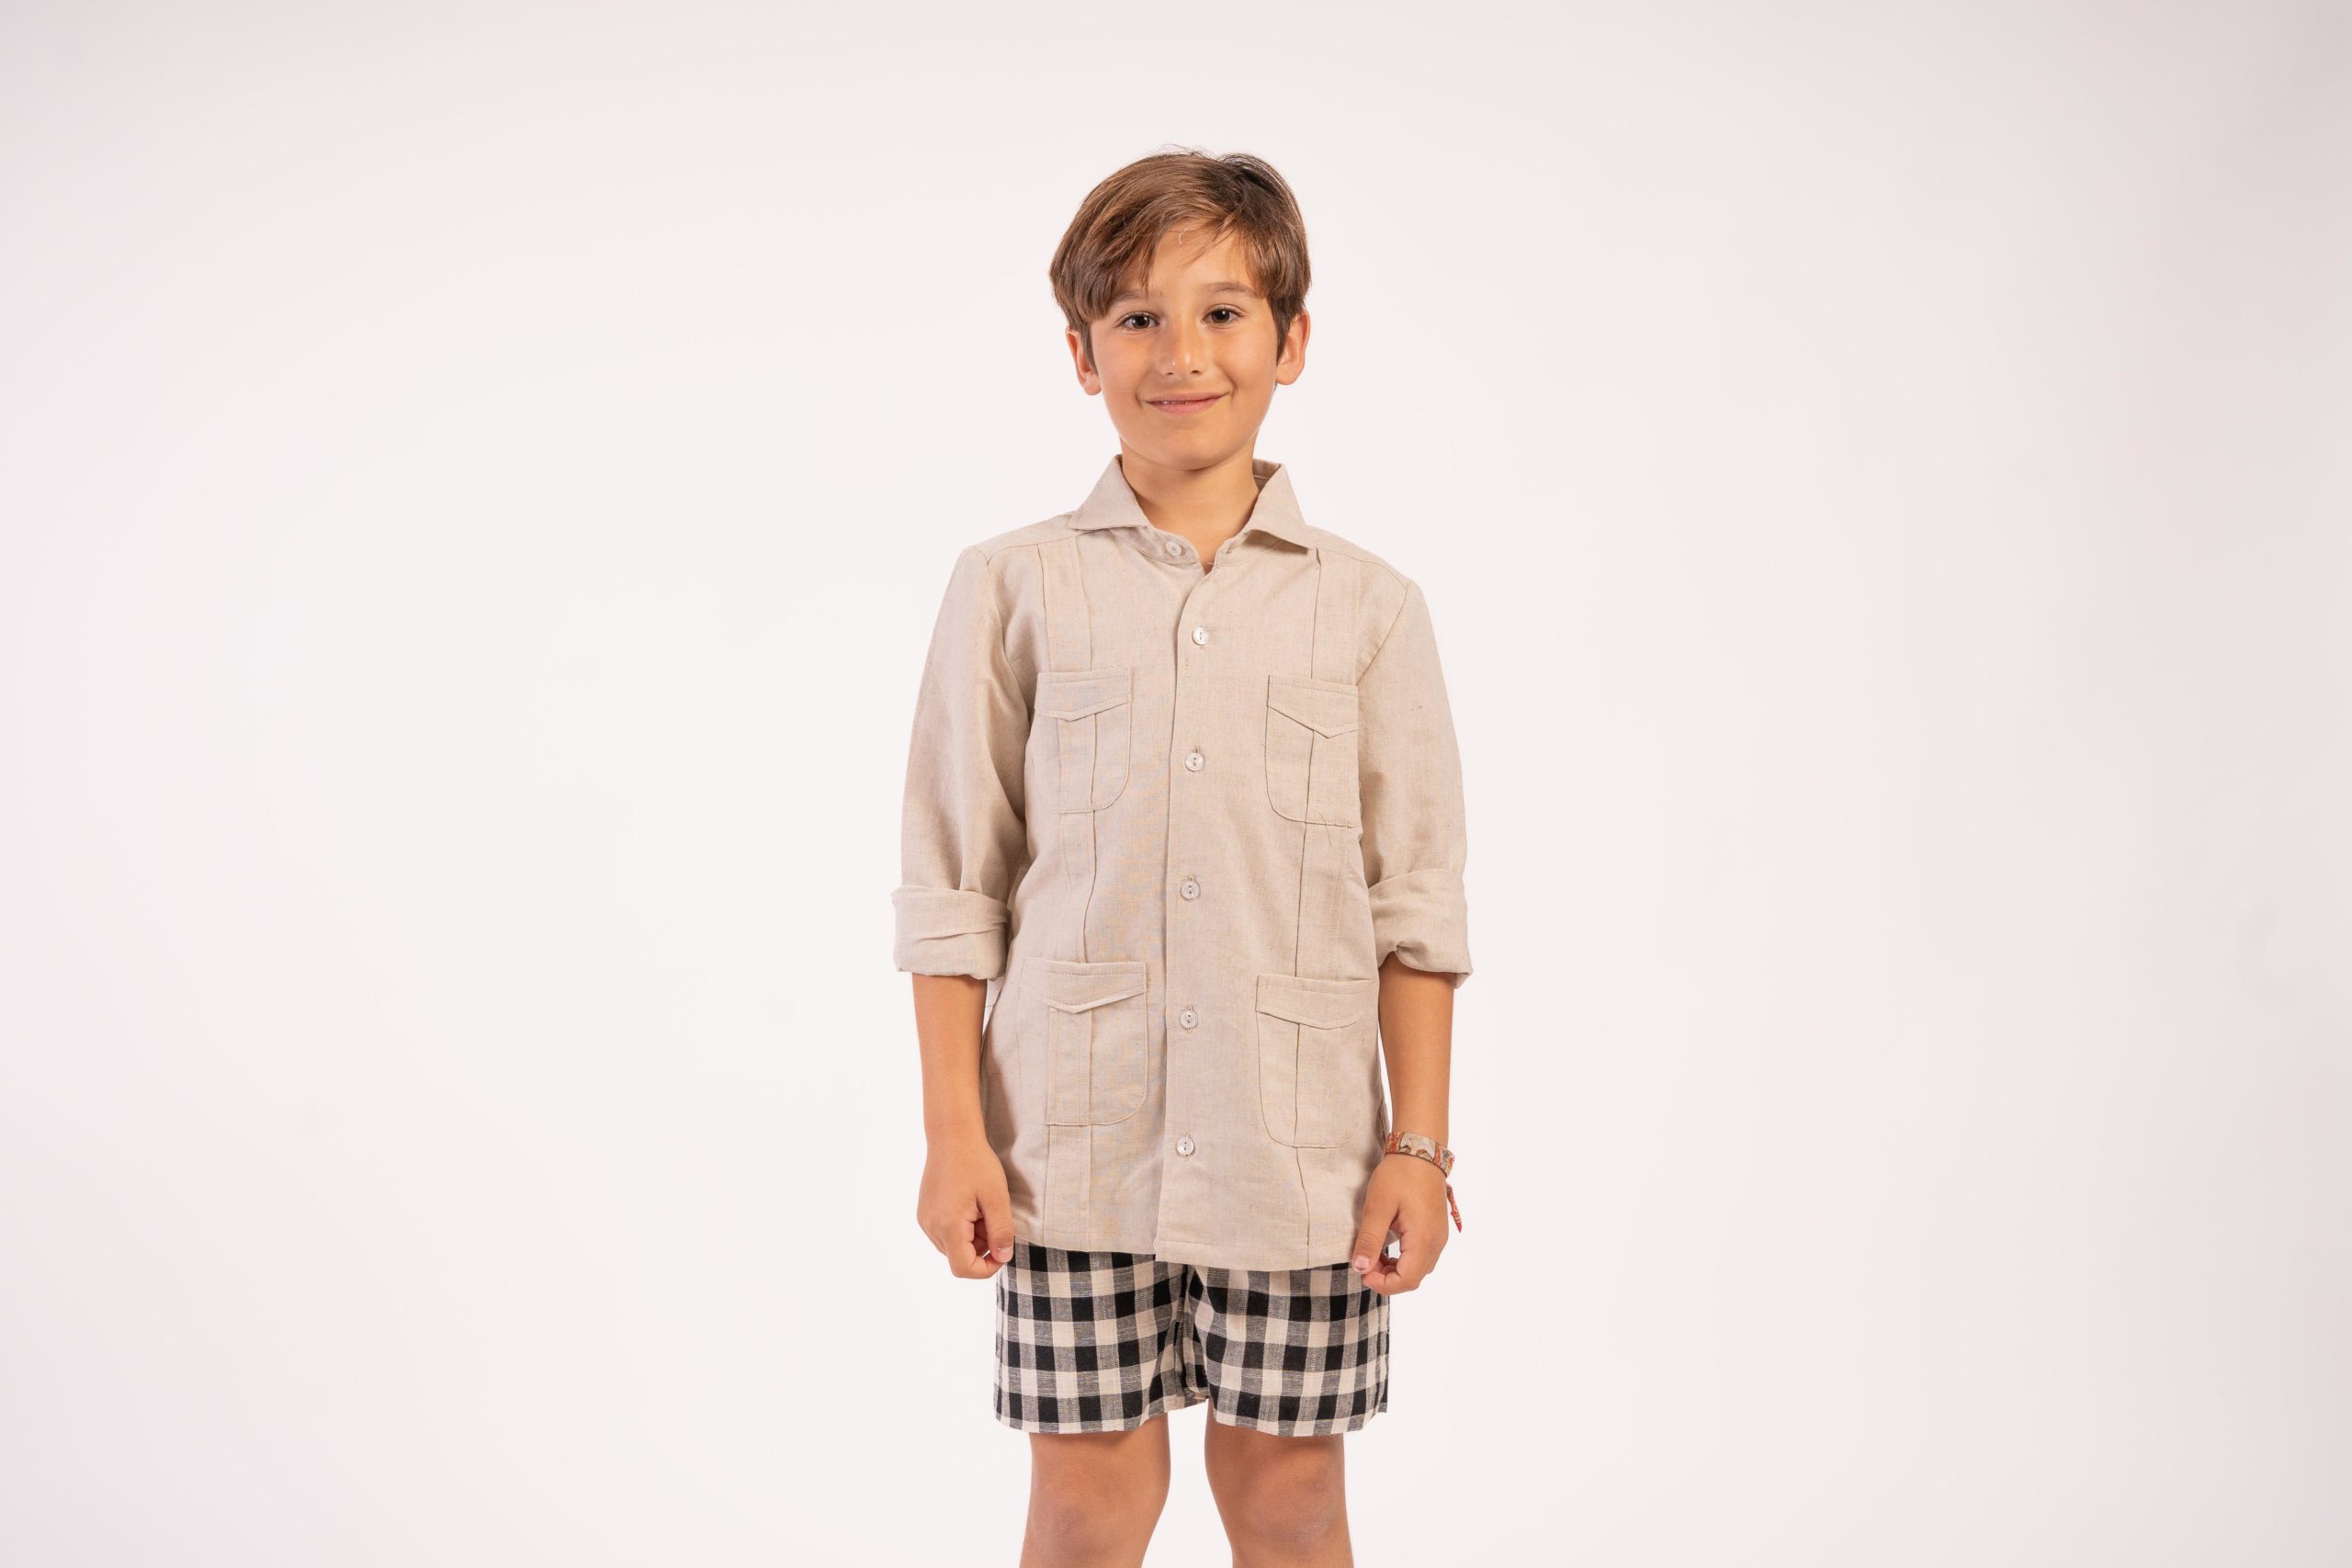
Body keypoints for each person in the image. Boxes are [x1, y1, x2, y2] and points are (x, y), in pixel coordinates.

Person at [891, 147, 1474, 1565]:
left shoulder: (1369, 608)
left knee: (1288, 1499)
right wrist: (956, 1135)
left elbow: (1414, 904)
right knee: (1088, 1509)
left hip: (1301, 1156)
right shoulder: (1013, 586)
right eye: (1138, 317)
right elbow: (954, 886)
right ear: (1082, 352)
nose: (1182, 354)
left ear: (1292, 340)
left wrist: (1417, 1146)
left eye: (1223, 314)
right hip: (1068, 1152)